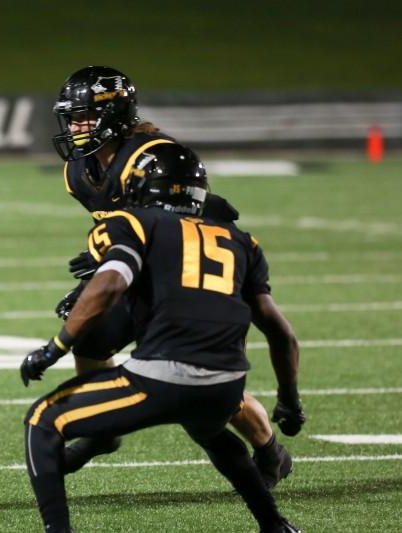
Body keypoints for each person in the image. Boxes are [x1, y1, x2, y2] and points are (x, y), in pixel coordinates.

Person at [14, 142, 304, 533]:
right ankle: (276, 529)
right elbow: (280, 333)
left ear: (143, 186)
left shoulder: (136, 221)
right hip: (226, 384)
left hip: (162, 377)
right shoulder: (242, 241)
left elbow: (110, 284)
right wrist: (290, 400)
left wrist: (56, 347)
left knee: (43, 419)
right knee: (214, 434)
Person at [48, 66, 304, 487]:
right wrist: (103, 269)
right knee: (88, 331)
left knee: (197, 382)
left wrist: (114, 257)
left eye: (84, 117)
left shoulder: (153, 157)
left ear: (113, 115)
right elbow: (131, 231)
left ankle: (269, 449)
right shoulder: (81, 171)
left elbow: (194, 221)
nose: (75, 127)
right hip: (144, 271)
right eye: (72, 118)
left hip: (188, 276)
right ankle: (103, 429)